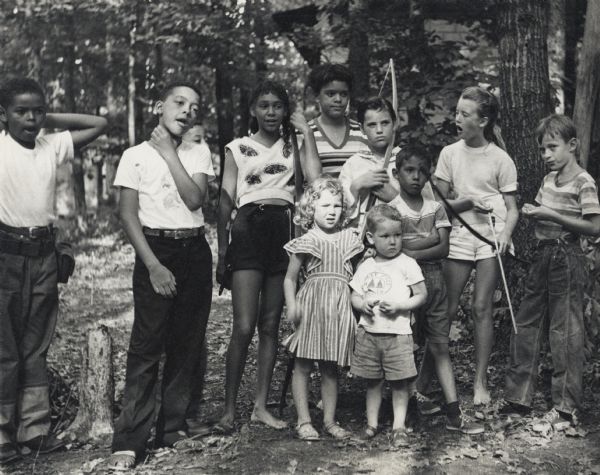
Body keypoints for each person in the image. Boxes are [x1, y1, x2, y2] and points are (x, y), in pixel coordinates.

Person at [0, 77, 107, 465]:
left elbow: (99, 124)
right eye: (21, 111)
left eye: (37, 111)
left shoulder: (50, 145)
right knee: (5, 346)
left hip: (44, 255)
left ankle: (35, 430)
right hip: (5, 253)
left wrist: (48, 119)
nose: (30, 118)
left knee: (35, 345)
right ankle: (2, 433)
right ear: (3, 115)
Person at [109, 82, 214, 469]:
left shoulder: (198, 150)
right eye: (179, 102)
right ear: (159, 106)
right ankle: (130, 439)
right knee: (147, 344)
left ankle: (172, 428)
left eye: (194, 106)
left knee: (188, 340)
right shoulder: (134, 156)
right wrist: (153, 265)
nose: (187, 110)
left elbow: (194, 199)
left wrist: (171, 153)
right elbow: (127, 214)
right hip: (156, 250)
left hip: (194, 251)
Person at [215, 80, 320, 434]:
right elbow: (226, 200)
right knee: (244, 325)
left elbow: (314, 183)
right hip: (247, 228)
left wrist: (306, 135)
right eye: (264, 105)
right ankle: (229, 409)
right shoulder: (237, 148)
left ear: (285, 110)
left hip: (284, 229)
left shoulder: (293, 146)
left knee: (270, 324)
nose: (271, 112)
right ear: (253, 111)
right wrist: (223, 251)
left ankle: (260, 405)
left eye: (278, 105)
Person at [502, 115, 600, 427]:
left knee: (565, 331)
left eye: (552, 147)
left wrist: (552, 216)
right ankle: (519, 398)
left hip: (567, 256)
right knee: (528, 324)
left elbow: (594, 227)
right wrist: (535, 214)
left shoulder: (584, 182)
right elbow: (543, 216)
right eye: (543, 148)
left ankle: (565, 406)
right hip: (542, 256)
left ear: (572, 145)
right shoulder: (547, 181)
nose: (546, 154)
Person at [434, 86, 519, 405]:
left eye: (464, 114)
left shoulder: (501, 159)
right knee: (446, 308)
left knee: (481, 307)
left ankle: (480, 383)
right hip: (458, 233)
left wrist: (505, 236)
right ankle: (428, 378)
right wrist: (467, 203)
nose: (457, 118)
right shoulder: (449, 154)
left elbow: (512, 208)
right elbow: (437, 205)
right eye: (456, 112)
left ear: (482, 121)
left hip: (491, 236)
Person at [390, 146, 484, 434]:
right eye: (409, 171)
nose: (416, 177)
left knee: (440, 345)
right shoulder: (391, 209)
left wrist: (410, 248)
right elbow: (390, 247)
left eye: (422, 171)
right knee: (404, 345)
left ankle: (455, 413)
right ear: (396, 173)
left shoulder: (435, 208)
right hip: (402, 284)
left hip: (435, 282)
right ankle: (401, 411)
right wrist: (426, 241)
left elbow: (443, 248)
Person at [282, 177, 363, 441]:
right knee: (303, 364)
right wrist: (292, 305)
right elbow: (290, 279)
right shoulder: (306, 241)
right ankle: (304, 420)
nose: (331, 211)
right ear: (310, 209)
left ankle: (329, 420)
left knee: (330, 367)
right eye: (325, 205)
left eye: (337, 206)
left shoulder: (349, 239)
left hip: (339, 308)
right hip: (312, 307)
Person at [350, 204, 427, 446]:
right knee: (373, 382)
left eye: (397, 235)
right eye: (385, 236)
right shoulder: (367, 266)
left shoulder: (407, 263)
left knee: (399, 382)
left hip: (398, 335)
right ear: (371, 238)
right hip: (370, 334)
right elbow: (354, 295)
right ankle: (372, 424)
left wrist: (401, 306)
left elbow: (421, 294)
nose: (393, 241)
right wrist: (362, 304)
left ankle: (399, 426)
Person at [339, 97, 400, 229]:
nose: (379, 130)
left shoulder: (408, 160)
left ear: (394, 124)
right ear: (362, 129)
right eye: (372, 125)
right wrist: (356, 186)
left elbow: (427, 210)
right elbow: (340, 215)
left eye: (385, 123)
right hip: (361, 236)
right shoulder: (352, 164)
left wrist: (394, 198)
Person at [307, 64, 368, 177]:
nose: (338, 99)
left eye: (343, 94)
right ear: (316, 96)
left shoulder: (362, 131)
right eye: (331, 94)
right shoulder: (304, 133)